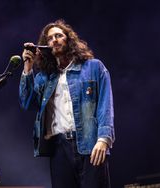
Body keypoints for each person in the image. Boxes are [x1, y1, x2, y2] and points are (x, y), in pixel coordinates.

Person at [19, 19, 115, 188]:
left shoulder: (93, 67)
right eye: (49, 39)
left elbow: (105, 105)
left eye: (59, 36)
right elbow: (27, 103)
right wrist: (28, 68)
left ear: (69, 40)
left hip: (90, 142)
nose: (54, 40)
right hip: (59, 148)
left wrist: (104, 139)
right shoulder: (45, 77)